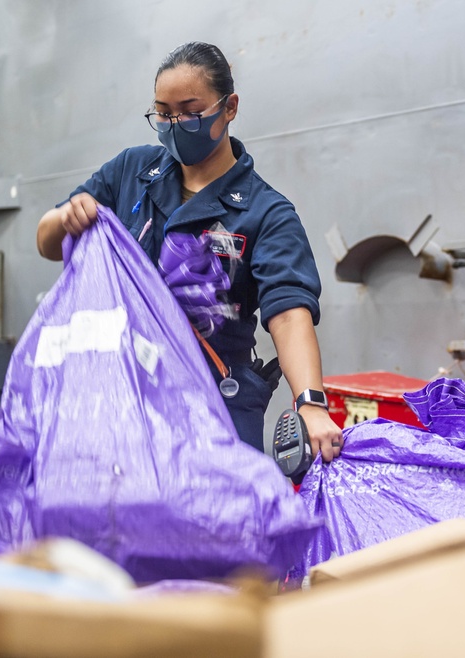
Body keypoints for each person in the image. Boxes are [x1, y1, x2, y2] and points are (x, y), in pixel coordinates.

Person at [36, 41, 343, 463]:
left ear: (229, 107)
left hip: (216, 407)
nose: (175, 122)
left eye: (191, 110)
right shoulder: (132, 172)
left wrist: (310, 403)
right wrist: (66, 216)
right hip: (125, 398)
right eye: (163, 112)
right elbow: (48, 242)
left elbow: (289, 313)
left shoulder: (265, 212)